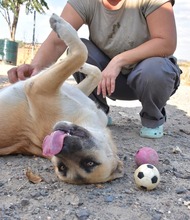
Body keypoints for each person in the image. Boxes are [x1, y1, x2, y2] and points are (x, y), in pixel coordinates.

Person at [8, 0, 182, 139]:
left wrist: (119, 60)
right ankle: (97, 111)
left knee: (156, 68)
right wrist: (35, 68)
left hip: (147, 78)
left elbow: (166, 42)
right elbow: (57, 41)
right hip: (107, 82)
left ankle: (153, 117)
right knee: (79, 50)